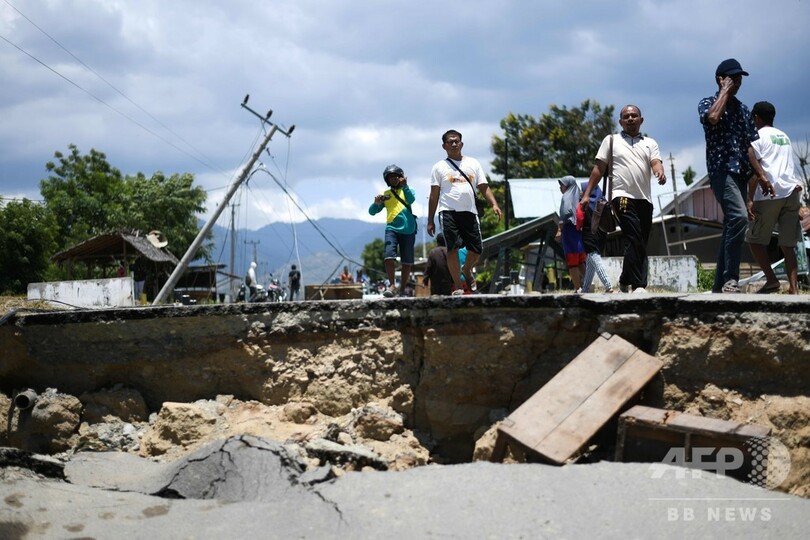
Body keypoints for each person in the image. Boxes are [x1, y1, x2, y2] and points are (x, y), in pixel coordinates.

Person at [580, 105, 666, 293]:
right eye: (626, 116)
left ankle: (625, 280)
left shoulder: (650, 143)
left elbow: (655, 162)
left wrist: (659, 172)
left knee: (639, 241)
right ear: (620, 121)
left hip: (645, 199)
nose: (630, 119)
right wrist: (587, 194)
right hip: (621, 197)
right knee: (634, 236)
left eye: (634, 116)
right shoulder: (611, 141)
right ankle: (639, 285)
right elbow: (599, 168)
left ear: (641, 120)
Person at [698, 58, 760, 293]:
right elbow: (713, 118)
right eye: (733, 78)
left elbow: (749, 147)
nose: (737, 83)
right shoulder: (707, 103)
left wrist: (761, 175)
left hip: (741, 173)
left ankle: (718, 287)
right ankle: (730, 279)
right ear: (720, 79)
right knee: (739, 218)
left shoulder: (743, 109)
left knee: (732, 224)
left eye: (739, 79)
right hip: (721, 171)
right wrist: (724, 91)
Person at [427, 129, 502, 295]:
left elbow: (483, 186)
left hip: (470, 212)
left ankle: (467, 269)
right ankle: (459, 286)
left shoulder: (473, 163)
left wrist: (494, 204)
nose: (454, 144)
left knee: (476, 249)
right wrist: (430, 220)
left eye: (456, 141)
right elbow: (434, 195)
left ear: (461, 144)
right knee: (452, 249)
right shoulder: (439, 167)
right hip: (448, 211)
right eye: (450, 142)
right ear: (444, 146)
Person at [745, 101, 804, 295]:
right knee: (788, 245)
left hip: (771, 194)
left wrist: (750, 199)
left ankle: (771, 280)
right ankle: (794, 289)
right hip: (792, 192)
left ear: (757, 118)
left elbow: (756, 169)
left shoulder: (757, 136)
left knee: (754, 239)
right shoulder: (784, 136)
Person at [369, 164, 417, 297]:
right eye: (390, 177)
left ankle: (402, 289)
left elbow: (411, 200)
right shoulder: (386, 195)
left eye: (396, 176)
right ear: (387, 180)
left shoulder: (409, 190)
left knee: (407, 262)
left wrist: (405, 186)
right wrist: (376, 203)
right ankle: (391, 285)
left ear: (401, 177)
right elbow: (372, 212)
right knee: (389, 257)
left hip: (408, 229)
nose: (394, 179)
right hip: (392, 228)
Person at [579, 181, 614, 293]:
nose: (581, 192)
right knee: (590, 262)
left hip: (589, 236)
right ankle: (585, 289)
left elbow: (579, 218)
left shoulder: (585, 204)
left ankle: (608, 285)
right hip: (600, 235)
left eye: (583, 190)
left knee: (594, 258)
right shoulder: (601, 203)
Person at [555, 176, 586, 292]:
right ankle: (589, 283)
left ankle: (578, 288)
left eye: (562, 185)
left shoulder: (566, 197)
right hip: (578, 231)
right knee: (580, 261)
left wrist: (559, 230)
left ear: (567, 186)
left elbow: (565, 213)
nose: (560, 187)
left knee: (572, 262)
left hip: (569, 231)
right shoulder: (578, 196)